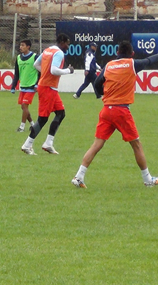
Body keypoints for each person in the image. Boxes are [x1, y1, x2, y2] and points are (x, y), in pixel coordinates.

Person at [71, 41, 158, 188]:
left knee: (97, 144)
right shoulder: (132, 64)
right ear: (132, 54)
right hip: (121, 111)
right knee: (136, 145)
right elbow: (150, 60)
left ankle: (79, 176)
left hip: (106, 110)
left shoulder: (110, 65)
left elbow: (98, 83)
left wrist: (105, 94)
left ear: (117, 52)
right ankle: (148, 179)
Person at [21, 33, 74, 155]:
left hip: (49, 87)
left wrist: (45, 73)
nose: (68, 46)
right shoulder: (59, 53)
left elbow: (36, 65)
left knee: (61, 113)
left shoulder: (47, 50)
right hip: (48, 88)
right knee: (43, 118)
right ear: (62, 42)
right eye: (67, 43)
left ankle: (48, 143)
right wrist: (68, 71)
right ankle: (27, 145)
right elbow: (54, 70)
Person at [10, 39, 40, 132]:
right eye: (20, 45)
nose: (20, 47)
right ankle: (33, 125)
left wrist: (37, 84)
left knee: (24, 105)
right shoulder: (19, 58)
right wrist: (13, 86)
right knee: (23, 107)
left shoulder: (35, 57)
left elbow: (41, 71)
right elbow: (17, 73)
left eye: (23, 45)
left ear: (28, 47)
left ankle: (21, 127)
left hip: (31, 86)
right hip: (23, 86)